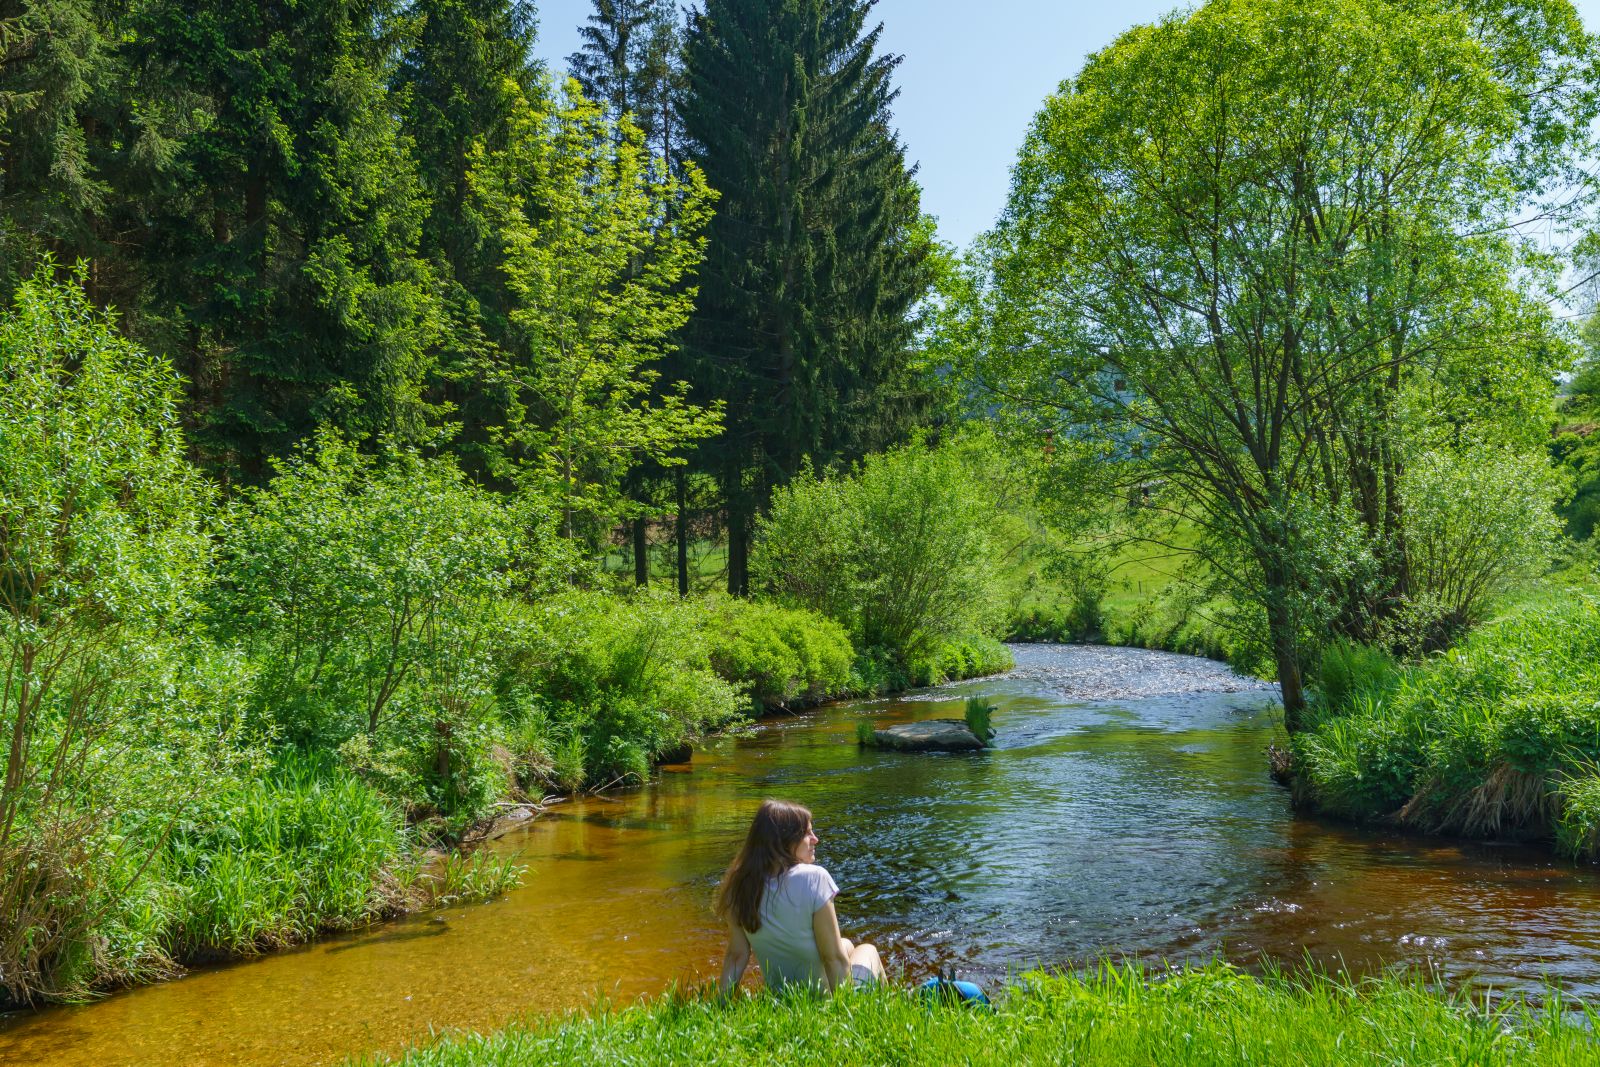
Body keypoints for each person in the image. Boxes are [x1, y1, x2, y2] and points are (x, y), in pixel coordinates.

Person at [716, 799, 884, 994]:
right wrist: (844, 1011)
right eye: (807, 833)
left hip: (782, 996)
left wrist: (721, 1004)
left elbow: (737, 955)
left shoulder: (738, 884)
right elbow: (833, 959)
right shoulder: (814, 878)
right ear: (785, 841)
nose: (815, 839)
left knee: (846, 944)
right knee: (868, 950)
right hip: (822, 999)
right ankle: (889, 1008)